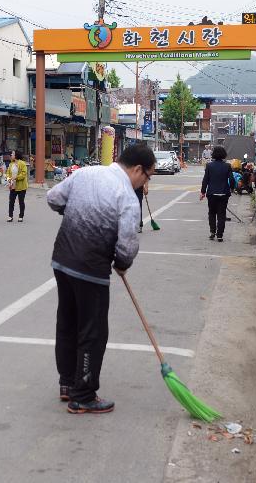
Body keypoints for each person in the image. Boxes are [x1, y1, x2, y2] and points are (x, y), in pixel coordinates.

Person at [47, 144, 155, 414]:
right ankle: (82, 395)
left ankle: (68, 383)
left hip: (62, 261)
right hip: (90, 269)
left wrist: (74, 213)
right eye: (148, 176)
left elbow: (53, 198)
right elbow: (128, 245)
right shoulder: (127, 197)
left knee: (68, 322)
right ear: (138, 169)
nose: (146, 182)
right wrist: (121, 263)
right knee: (92, 332)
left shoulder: (86, 174)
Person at [200, 146, 237, 242]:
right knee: (221, 214)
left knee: (212, 213)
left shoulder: (209, 166)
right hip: (224, 193)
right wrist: (232, 189)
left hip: (211, 193)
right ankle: (220, 235)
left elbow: (205, 180)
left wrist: (203, 192)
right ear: (224, 155)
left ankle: (212, 232)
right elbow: (232, 179)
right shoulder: (227, 166)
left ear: (213, 154)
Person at [6, 151, 28, 222]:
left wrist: (15, 178)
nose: (11, 155)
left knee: (21, 201)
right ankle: (10, 216)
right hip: (13, 186)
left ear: (16, 155)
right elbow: (8, 173)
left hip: (21, 186)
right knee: (11, 201)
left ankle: (21, 216)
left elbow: (23, 174)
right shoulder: (11, 164)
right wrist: (9, 179)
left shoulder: (22, 163)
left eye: (12, 154)